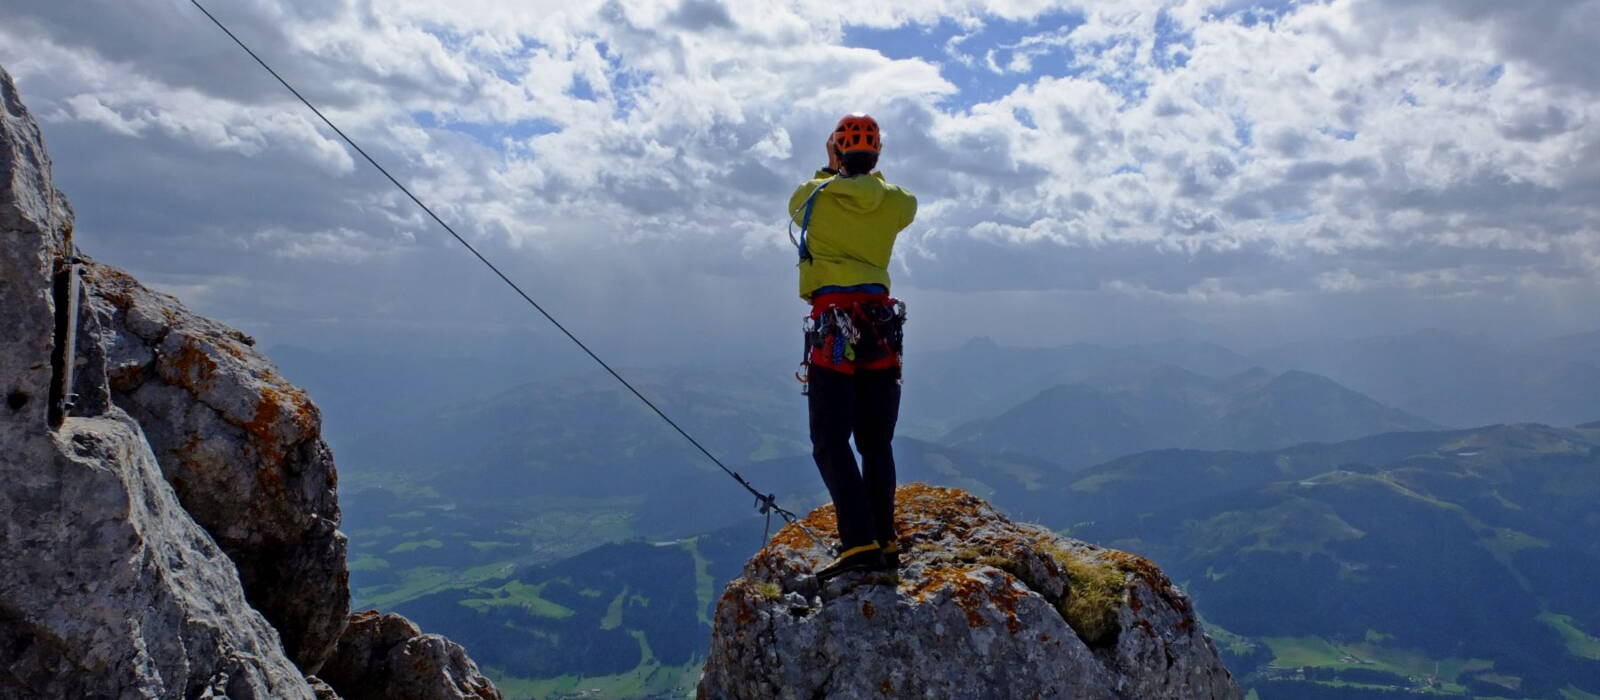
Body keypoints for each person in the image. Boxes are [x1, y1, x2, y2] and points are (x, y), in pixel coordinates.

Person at [788, 113, 917, 581]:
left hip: (835, 329)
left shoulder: (810, 197)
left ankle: (859, 543)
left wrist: (829, 170)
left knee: (829, 440)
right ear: (878, 153)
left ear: (836, 151)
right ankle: (884, 539)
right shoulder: (900, 202)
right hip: (881, 327)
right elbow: (886, 198)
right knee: (875, 440)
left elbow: (802, 205)